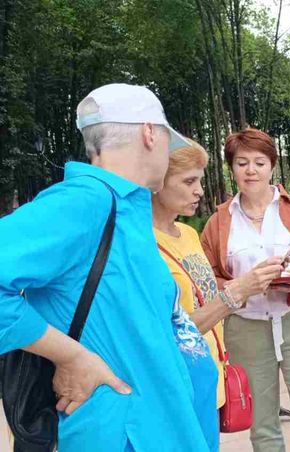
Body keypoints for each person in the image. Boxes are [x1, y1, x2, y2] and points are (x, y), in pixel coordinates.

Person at [0, 83, 216, 450]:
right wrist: (72, 356)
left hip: (161, 427)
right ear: (149, 133)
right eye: (168, 141)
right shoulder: (86, 201)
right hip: (122, 434)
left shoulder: (125, 206)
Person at [200, 128, 290, 452]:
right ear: (232, 168)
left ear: (272, 166)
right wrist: (242, 285)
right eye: (242, 163)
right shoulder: (218, 222)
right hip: (245, 329)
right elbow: (206, 280)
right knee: (262, 428)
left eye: (259, 163)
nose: (251, 170)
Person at [151, 140, 286, 422]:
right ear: (155, 181)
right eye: (189, 181)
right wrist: (240, 290)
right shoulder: (142, 244)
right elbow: (167, 332)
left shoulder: (188, 234)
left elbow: (204, 294)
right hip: (178, 384)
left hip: (210, 372)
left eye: (199, 181)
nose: (199, 190)